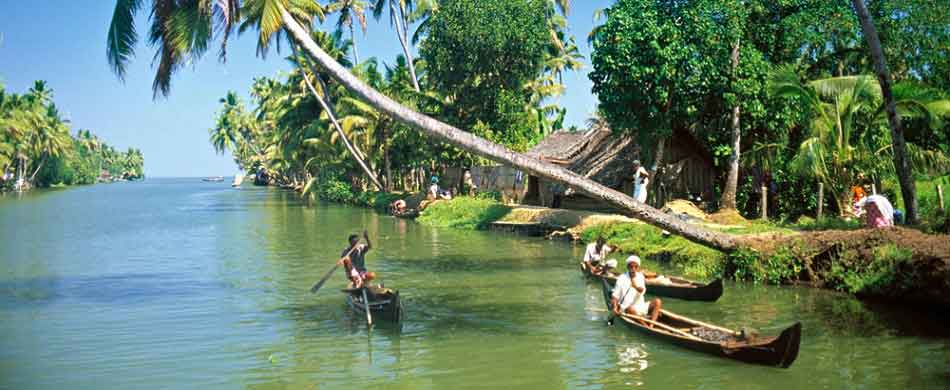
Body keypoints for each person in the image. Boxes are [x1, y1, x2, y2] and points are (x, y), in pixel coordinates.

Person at [611, 255, 663, 328]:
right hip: (627, 308)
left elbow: (642, 290)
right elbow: (615, 296)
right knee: (630, 309)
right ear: (627, 267)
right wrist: (614, 308)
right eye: (631, 267)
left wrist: (634, 286)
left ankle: (651, 325)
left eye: (635, 267)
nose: (633, 269)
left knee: (657, 301)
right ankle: (646, 327)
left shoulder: (640, 276)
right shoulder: (621, 278)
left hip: (640, 306)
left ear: (638, 267)